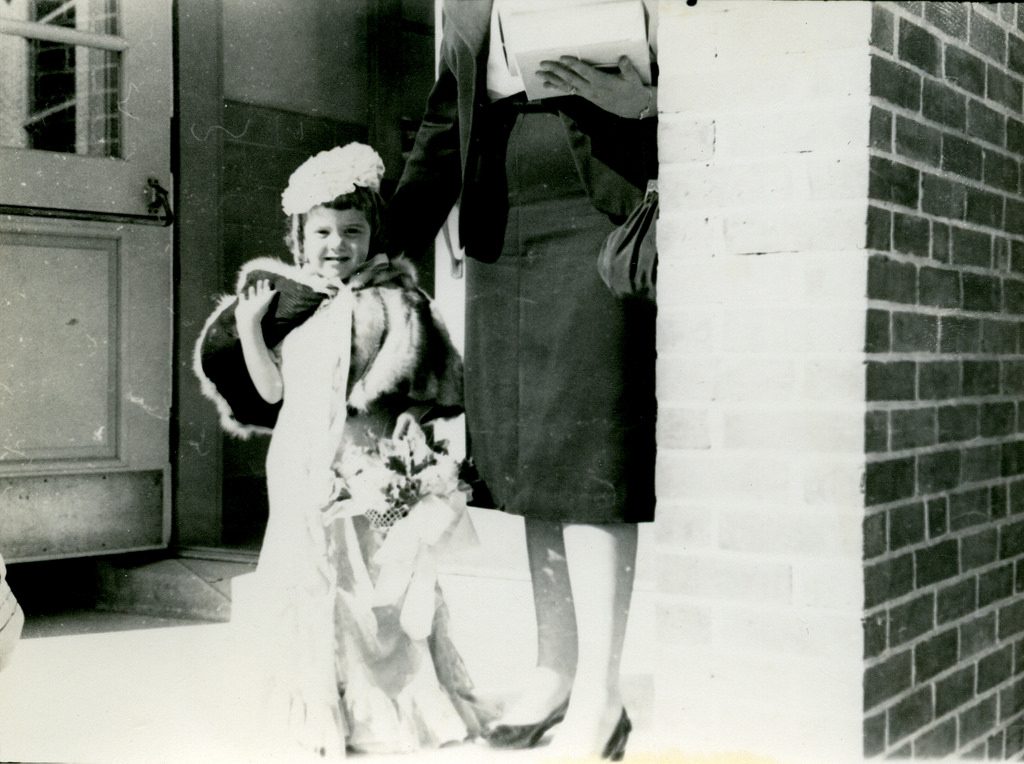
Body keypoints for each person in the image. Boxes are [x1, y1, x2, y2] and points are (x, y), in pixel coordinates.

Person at [388, 0, 658, 759]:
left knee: (587, 448)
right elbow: (448, 119)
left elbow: (703, 82)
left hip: (596, 212)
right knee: (531, 453)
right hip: (501, 225)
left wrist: (648, 105)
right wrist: (391, 241)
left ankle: (601, 698)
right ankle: (554, 673)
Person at [194, 142, 490, 757]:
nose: (337, 244)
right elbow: (272, 392)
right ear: (301, 236)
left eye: (351, 231)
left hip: (368, 465)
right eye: (322, 231)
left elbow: (426, 386)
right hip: (301, 464)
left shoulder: (395, 303)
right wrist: (250, 330)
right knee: (307, 576)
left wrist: (410, 421)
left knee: (374, 577)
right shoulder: (290, 307)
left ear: (372, 233)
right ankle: (315, 703)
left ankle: (387, 701)